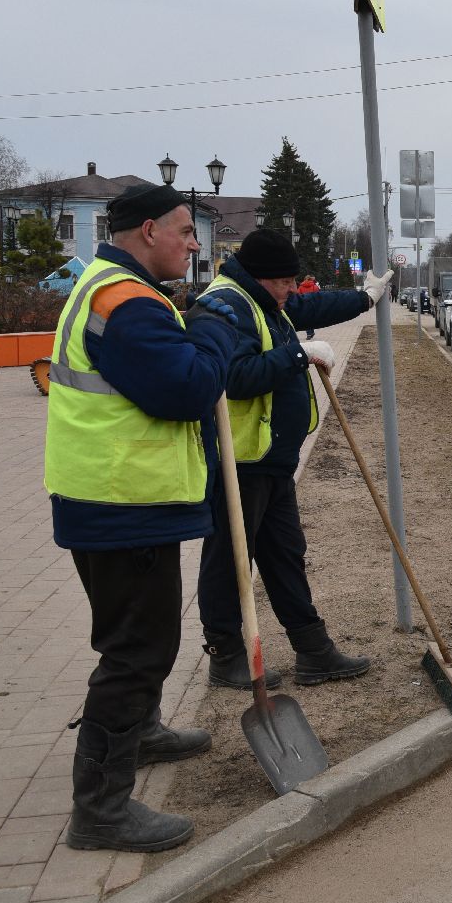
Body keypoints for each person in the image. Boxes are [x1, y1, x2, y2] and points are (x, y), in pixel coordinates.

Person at [44, 181, 243, 852]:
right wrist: (214, 332)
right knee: (136, 652)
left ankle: (145, 732)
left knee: (137, 642)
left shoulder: (108, 285)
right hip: (122, 505)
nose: (194, 245)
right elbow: (188, 389)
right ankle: (100, 811)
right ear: (149, 230)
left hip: (104, 498)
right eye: (186, 231)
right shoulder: (126, 303)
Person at [195, 230, 393, 689]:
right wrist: (298, 354)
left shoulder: (263, 299)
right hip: (239, 461)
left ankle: (313, 651)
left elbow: (310, 307)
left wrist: (365, 298)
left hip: (272, 459)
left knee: (285, 556)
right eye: (285, 282)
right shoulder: (225, 306)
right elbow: (235, 377)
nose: (291, 291)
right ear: (263, 277)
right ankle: (225, 656)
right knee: (229, 560)